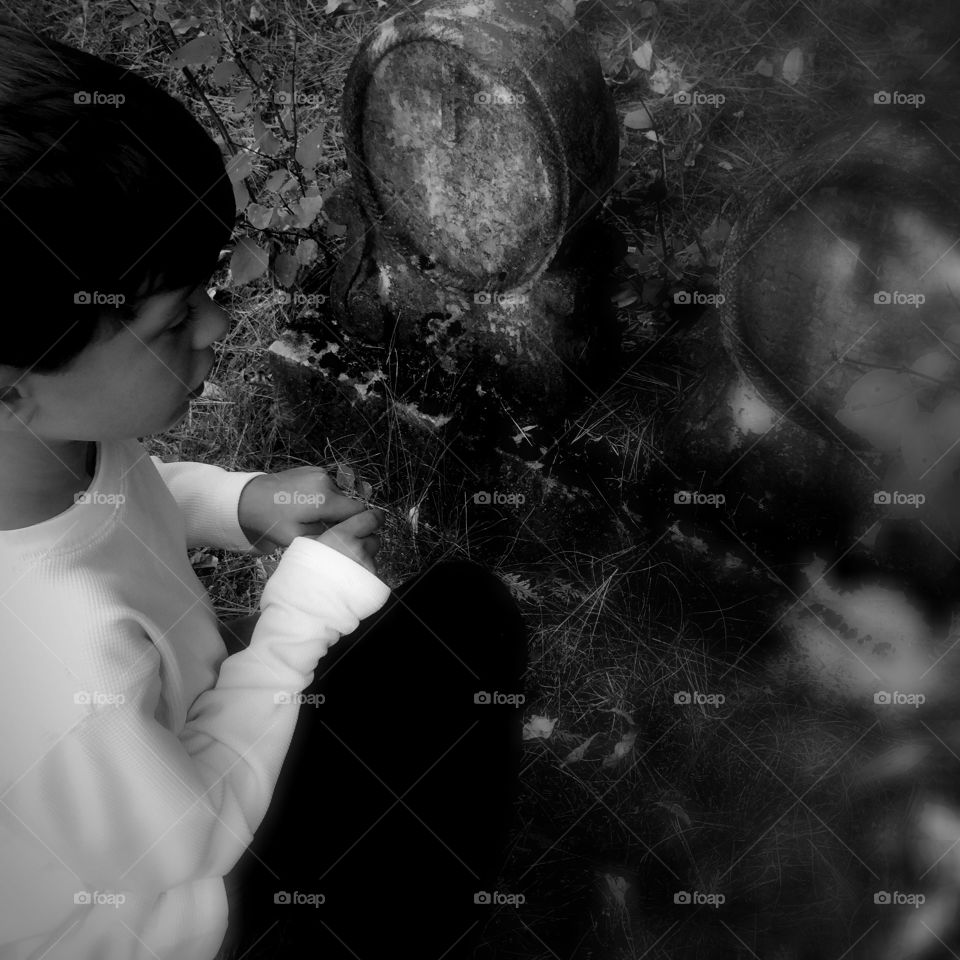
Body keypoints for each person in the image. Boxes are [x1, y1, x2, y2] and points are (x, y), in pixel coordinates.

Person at [0, 17, 527, 960]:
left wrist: (239, 503)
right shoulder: (46, 668)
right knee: (468, 622)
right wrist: (293, 629)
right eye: (172, 319)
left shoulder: (47, 445)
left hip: (160, 785)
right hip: (188, 911)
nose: (216, 324)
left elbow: (122, 496)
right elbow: (192, 832)